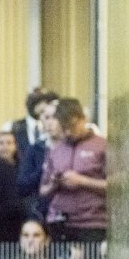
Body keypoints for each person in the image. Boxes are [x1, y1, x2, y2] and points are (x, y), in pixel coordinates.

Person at [39, 98, 108, 242]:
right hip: (60, 222)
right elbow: (43, 190)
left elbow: (118, 185)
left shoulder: (102, 146)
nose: (68, 132)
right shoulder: (56, 149)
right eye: (64, 127)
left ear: (83, 119)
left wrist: (83, 181)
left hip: (92, 223)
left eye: (72, 126)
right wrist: (54, 183)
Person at [18, 99, 59, 221]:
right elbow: (22, 186)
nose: (51, 122)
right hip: (41, 212)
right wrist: (44, 168)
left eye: (55, 117)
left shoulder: (75, 147)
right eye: (46, 118)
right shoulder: (36, 148)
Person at [0, 131, 25, 243]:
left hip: (20, 218)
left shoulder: (22, 166)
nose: (5, 147)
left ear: (15, 146)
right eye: (1, 143)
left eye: (9, 143)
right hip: (0, 219)